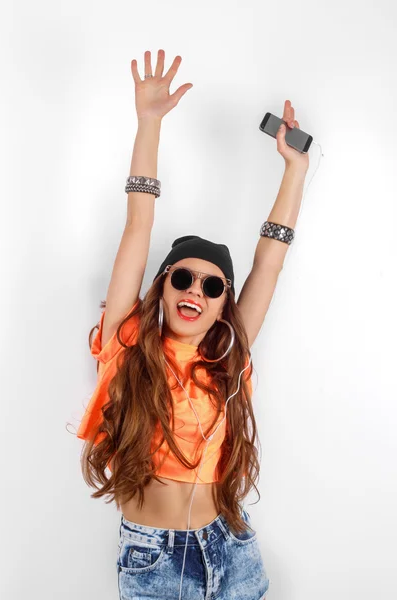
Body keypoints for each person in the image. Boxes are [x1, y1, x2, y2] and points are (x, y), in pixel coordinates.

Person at [76, 49, 308, 600]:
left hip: (232, 546)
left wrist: (294, 170)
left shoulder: (229, 355)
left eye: (212, 286)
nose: (194, 292)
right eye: (183, 278)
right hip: (155, 558)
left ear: (224, 303)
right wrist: (149, 123)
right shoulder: (126, 342)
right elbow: (139, 224)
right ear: (163, 288)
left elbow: (269, 262)